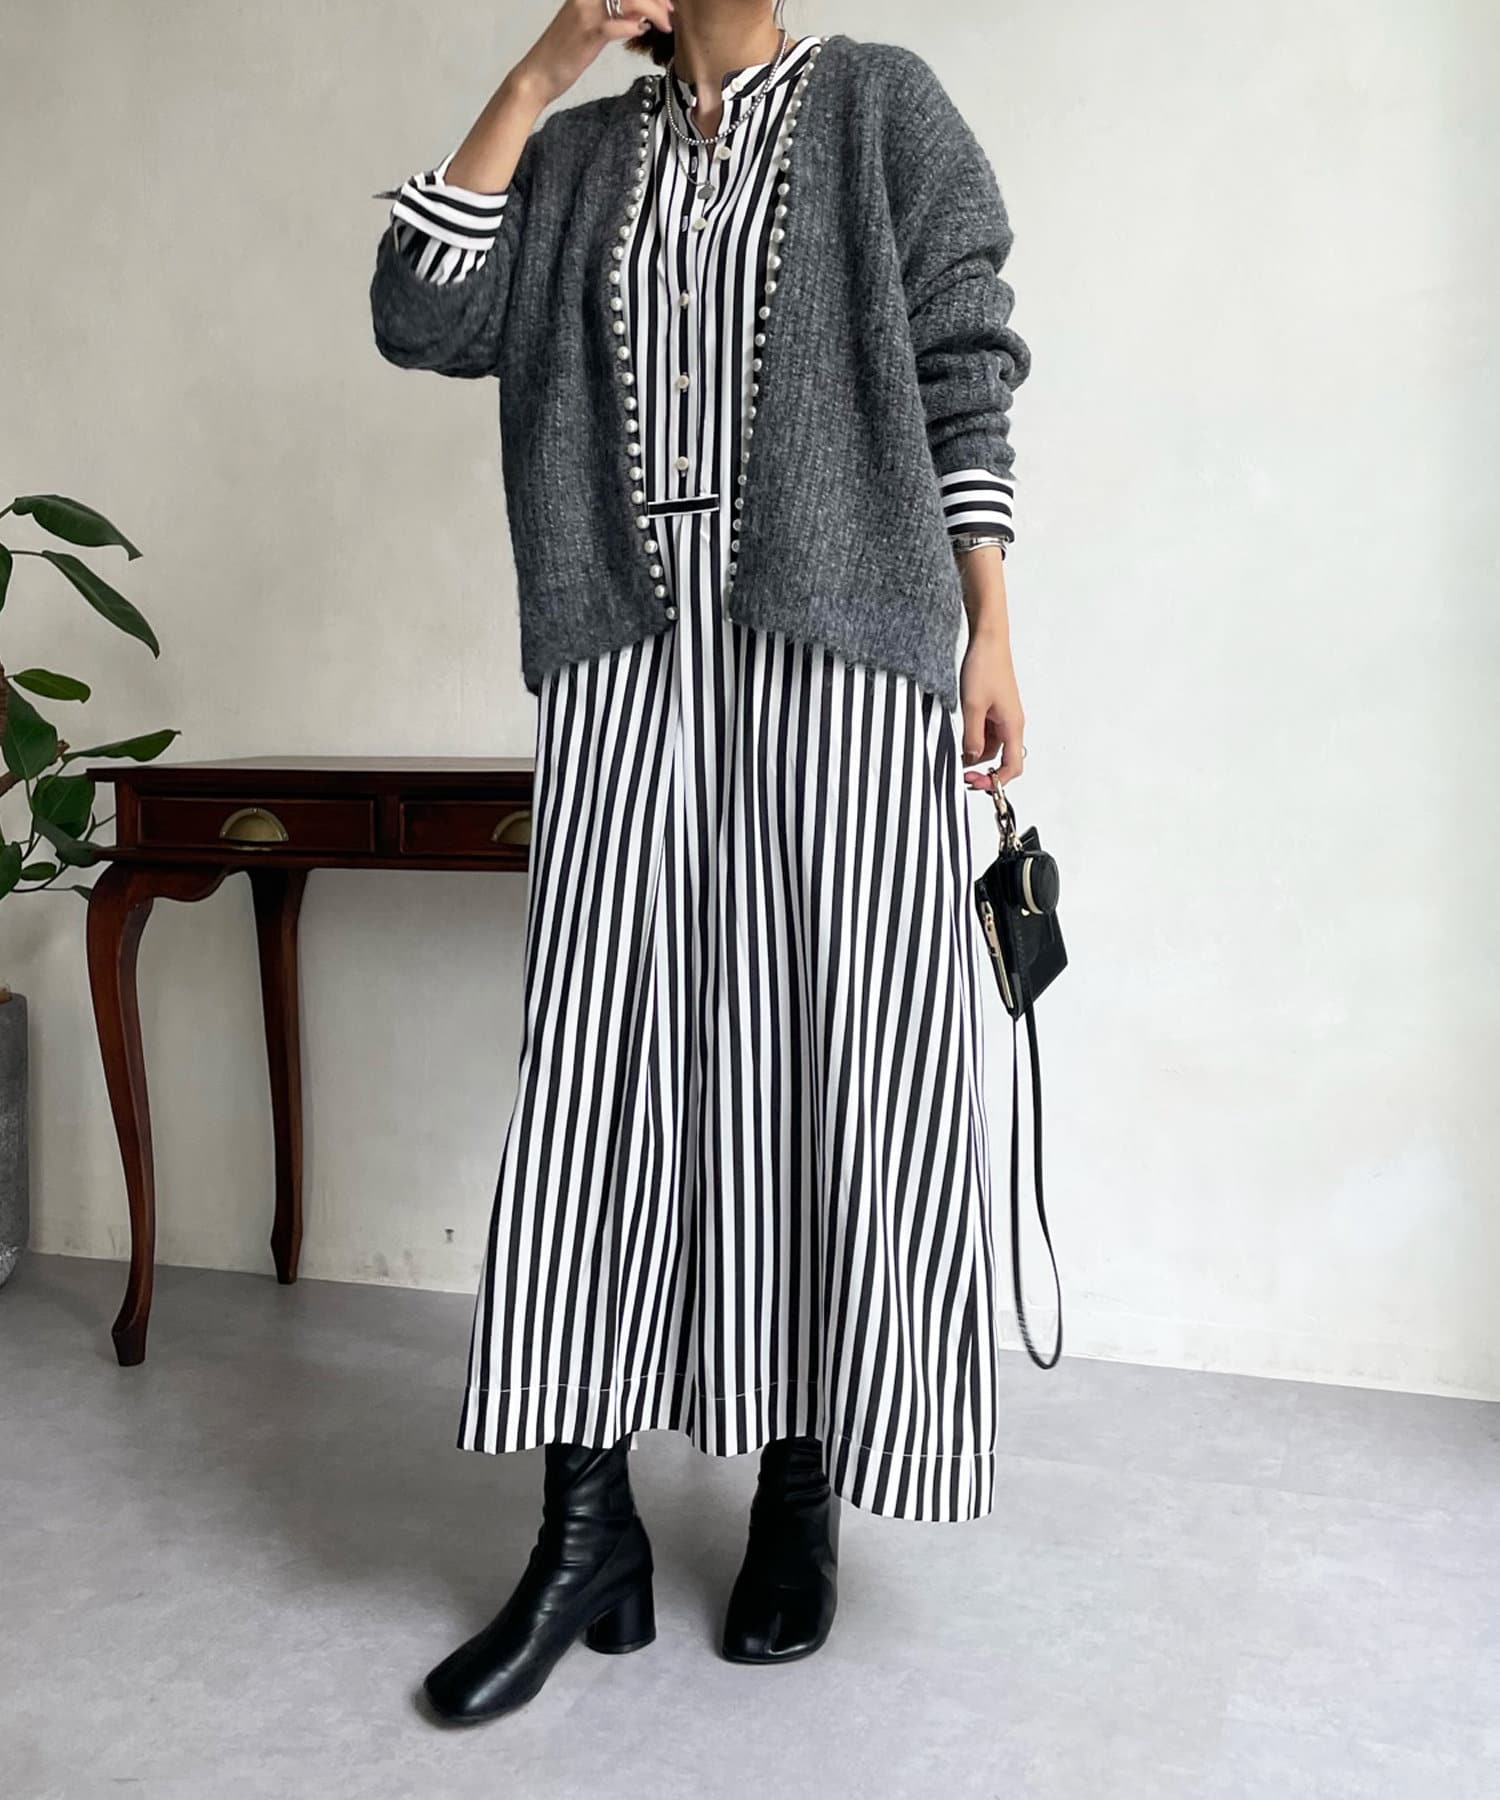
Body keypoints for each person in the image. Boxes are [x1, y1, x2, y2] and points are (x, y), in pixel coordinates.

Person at [369, 0, 1030, 1726]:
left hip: (843, 651)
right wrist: (540, 73)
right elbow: (419, 314)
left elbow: (963, 355)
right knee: (595, 1073)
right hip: (620, 649)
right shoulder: (581, 152)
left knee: (828, 1057)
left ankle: (798, 1491)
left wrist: (989, 629)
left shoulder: (881, 106)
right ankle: (584, 1527)